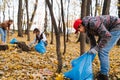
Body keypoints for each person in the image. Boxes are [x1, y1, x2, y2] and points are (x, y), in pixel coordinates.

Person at [73, 15, 120, 80]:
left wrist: (96, 49)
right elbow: (93, 44)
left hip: (116, 26)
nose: (79, 31)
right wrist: (91, 50)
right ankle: (103, 72)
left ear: (80, 25)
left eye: (78, 30)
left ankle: (104, 75)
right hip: (109, 30)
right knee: (100, 49)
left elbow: (107, 36)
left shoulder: (93, 23)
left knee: (103, 51)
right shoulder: (88, 30)